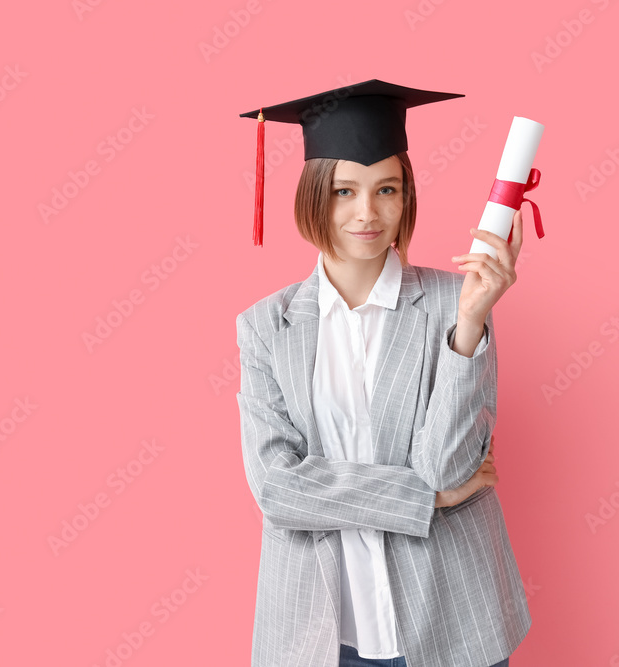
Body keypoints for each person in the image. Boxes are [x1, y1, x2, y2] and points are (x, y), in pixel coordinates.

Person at [236, 79, 533, 667]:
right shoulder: (265, 327)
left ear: (406, 197)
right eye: (344, 190)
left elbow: (447, 465)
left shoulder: (456, 302)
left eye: (387, 189)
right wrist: (433, 499)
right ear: (313, 196)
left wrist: (470, 323)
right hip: (318, 627)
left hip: (451, 617)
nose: (367, 213)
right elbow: (278, 488)